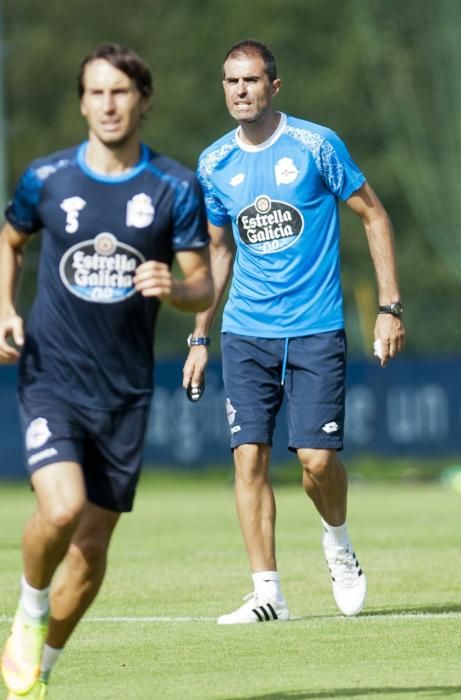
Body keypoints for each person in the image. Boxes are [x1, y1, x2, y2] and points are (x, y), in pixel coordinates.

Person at [0, 43, 213, 698]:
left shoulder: (172, 187)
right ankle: (28, 613)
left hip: (123, 393)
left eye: (120, 91)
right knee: (60, 511)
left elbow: (203, 285)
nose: (108, 104)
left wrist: (175, 291)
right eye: (95, 92)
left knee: (91, 552)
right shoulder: (48, 178)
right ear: (81, 102)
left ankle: (36, 676)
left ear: (143, 100)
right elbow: (10, 240)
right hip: (52, 376)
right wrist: (5, 306)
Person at [183, 39, 405, 625]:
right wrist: (200, 337)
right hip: (245, 332)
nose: (240, 91)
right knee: (247, 459)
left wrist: (390, 307)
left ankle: (338, 542)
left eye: (252, 81)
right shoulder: (213, 163)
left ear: (273, 87)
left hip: (314, 329)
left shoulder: (315, 144)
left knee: (316, 459)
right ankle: (268, 594)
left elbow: (374, 214)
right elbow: (219, 250)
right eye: (231, 81)